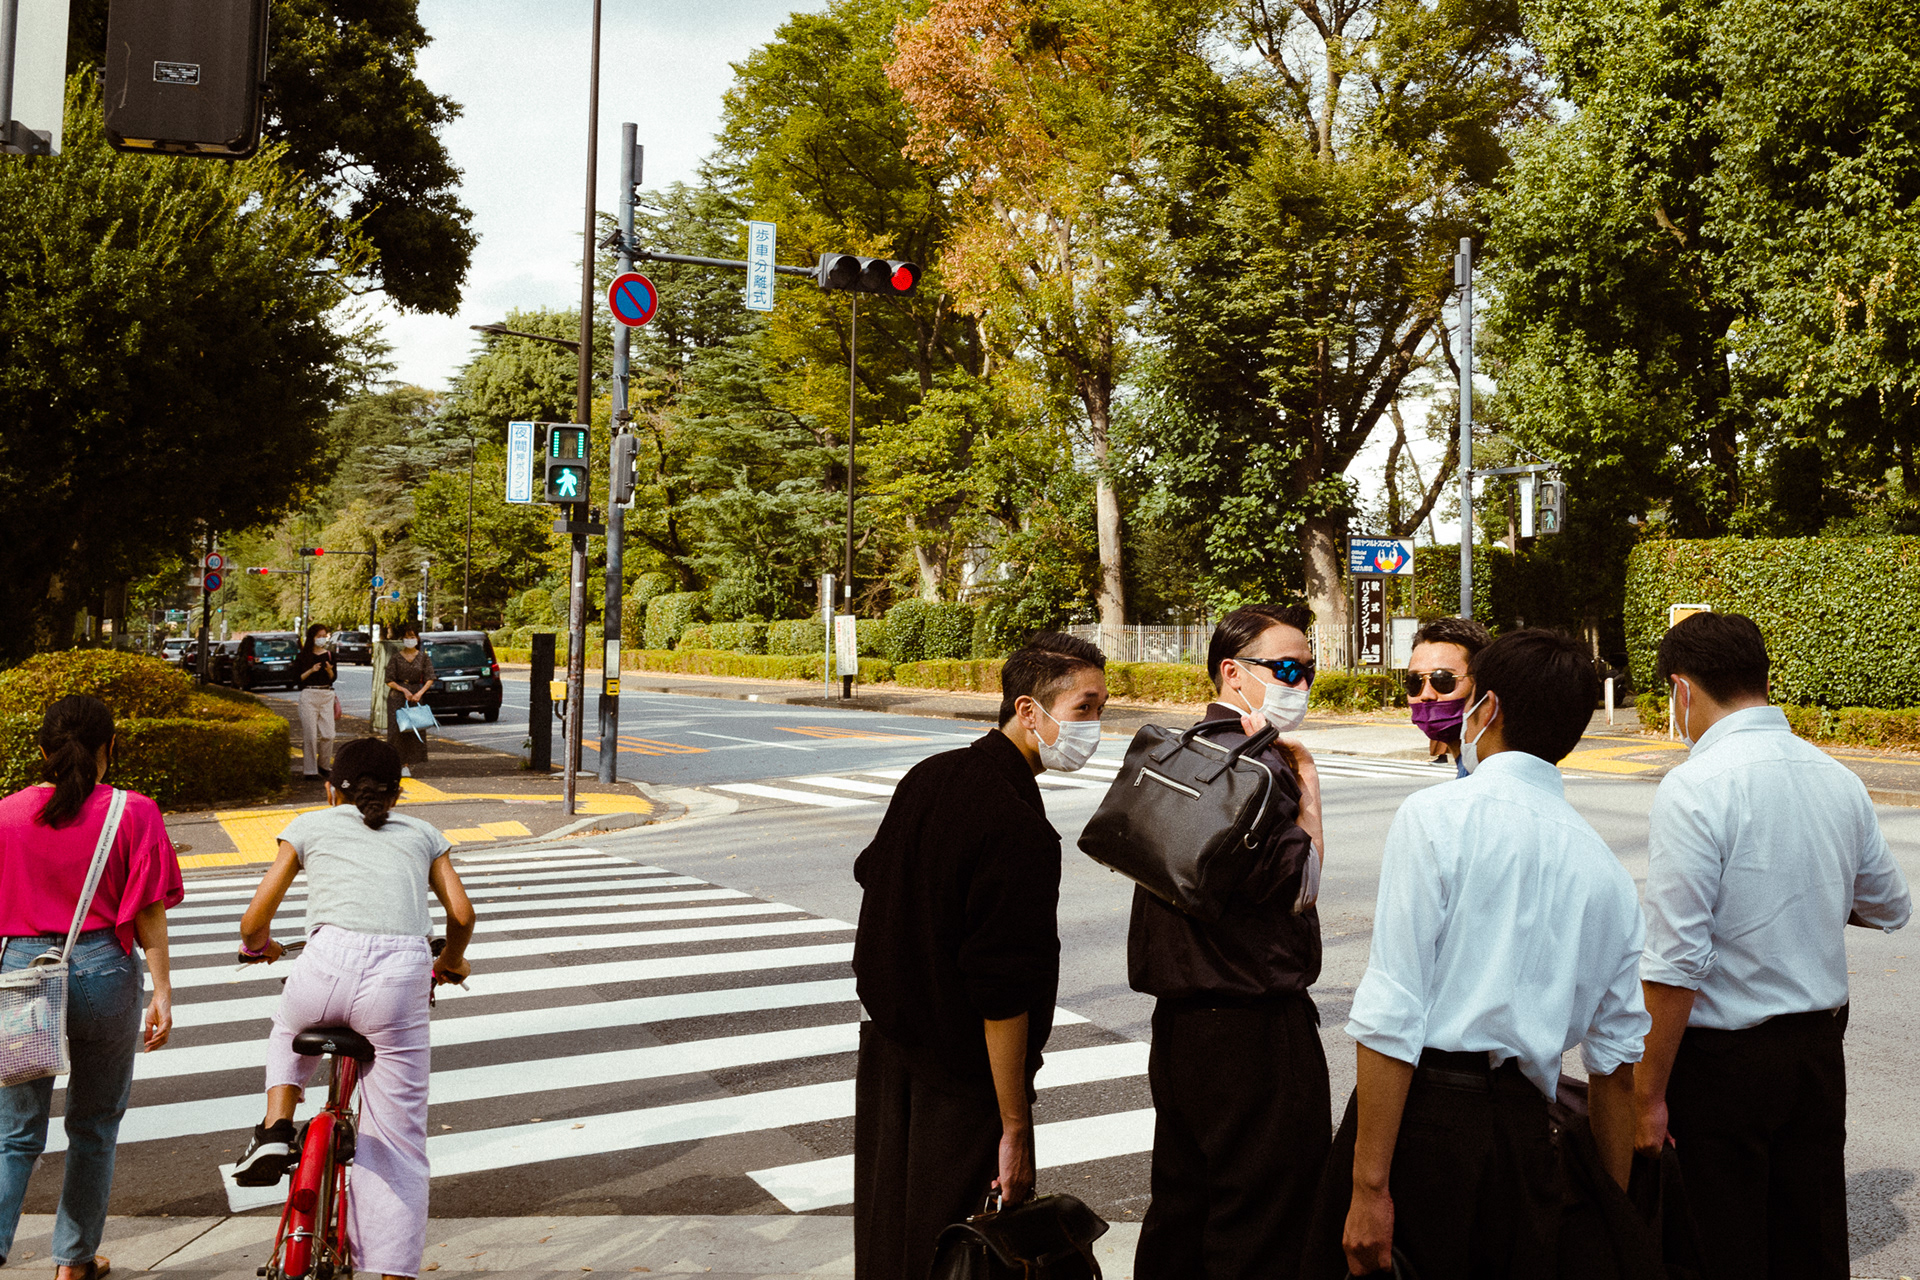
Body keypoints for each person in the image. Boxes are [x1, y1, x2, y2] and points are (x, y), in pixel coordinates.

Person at [1304, 628, 1650, 1279]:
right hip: (1525, 1136)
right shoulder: (1605, 870)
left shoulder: (1436, 818)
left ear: (1486, 708)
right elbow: (1616, 1067)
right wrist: (1613, 1214)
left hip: (1423, 1123)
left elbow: (1393, 1012)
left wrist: (1369, 1187)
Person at [1632, 612, 1910, 1280]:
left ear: (1682, 690)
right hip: (1815, 1056)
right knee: (1809, 1245)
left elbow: (1675, 962)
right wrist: (1809, 892)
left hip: (1721, 1066)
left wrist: (1646, 1097)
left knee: (1720, 1249)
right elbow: (1890, 906)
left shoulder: (1695, 786)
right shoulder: (1836, 777)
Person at [852, 631, 1108, 1280]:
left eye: (1101, 709)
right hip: (961, 1086)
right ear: (1028, 710)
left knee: (891, 1246)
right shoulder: (1017, 826)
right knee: (959, 1254)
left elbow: (872, 871)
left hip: (890, 1058)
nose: (1095, 726)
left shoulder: (930, 775)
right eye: (1084, 708)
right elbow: (1002, 992)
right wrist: (1014, 1125)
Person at [1131, 604, 1329, 1280]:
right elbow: (1301, 884)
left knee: (1183, 1205)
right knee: (1264, 1221)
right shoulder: (1262, 766)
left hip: (1179, 1027)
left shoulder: (1181, 751)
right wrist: (1309, 785)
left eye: (1308, 670)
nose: (1300, 683)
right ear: (1232, 672)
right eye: (1286, 669)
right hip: (1255, 1027)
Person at [229, 736, 474, 1280]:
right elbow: (461, 915)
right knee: (398, 1140)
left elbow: (253, 922)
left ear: (330, 790)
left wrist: (257, 947)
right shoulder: (423, 834)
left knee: (288, 1027)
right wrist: (451, 962)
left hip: (325, 964)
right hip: (400, 978)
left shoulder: (309, 825)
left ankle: (275, 1127)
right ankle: (391, 1270)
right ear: (398, 794)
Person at [0, 696, 181, 1280]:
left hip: (22, 969)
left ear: (42, 749)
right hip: (104, 967)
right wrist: (162, 990)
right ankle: (74, 1262)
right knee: (95, 1124)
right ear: (111, 745)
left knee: (14, 1133)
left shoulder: (5, 815)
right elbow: (148, 909)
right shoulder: (134, 812)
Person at [1404, 617, 1493, 775]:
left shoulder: (1489, 774)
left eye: (1443, 679)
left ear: (1481, 682)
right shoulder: (1470, 768)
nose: (1426, 695)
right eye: (1414, 682)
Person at [383, 623, 434, 778]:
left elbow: (430, 678)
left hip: (416, 695)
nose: (409, 640)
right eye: (406, 637)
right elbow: (389, 680)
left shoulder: (423, 657)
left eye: (412, 637)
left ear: (417, 638)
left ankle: (407, 764)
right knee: (396, 731)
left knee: (413, 730)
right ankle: (396, 763)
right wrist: (403, 690)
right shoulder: (396, 657)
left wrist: (419, 693)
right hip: (398, 697)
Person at [294, 622, 338, 781]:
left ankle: (324, 765)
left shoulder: (330, 655)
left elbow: (333, 678)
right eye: (319, 636)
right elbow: (297, 679)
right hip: (309, 695)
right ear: (312, 637)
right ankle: (310, 770)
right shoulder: (303, 656)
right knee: (310, 735)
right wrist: (311, 670)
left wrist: (329, 670)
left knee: (329, 734)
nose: (322, 639)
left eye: (324, 636)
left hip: (326, 694)